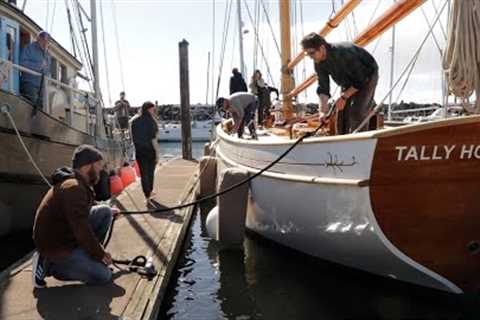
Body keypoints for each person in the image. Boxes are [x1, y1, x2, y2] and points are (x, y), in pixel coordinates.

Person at [32, 145, 119, 288]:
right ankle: (48, 265)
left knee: (105, 212)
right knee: (104, 276)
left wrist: (110, 210)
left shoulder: (76, 183)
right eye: (98, 166)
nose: (100, 171)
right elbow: (81, 228)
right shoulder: (73, 188)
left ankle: (87, 257)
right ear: (86, 167)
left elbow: (82, 209)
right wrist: (100, 254)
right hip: (56, 246)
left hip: (66, 234)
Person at [301, 32, 379, 134]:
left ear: (322, 48)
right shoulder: (318, 62)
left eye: (312, 53)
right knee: (341, 114)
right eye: (307, 54)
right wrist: (322, 112)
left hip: (367, 76)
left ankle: (359, 142)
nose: (310, 57)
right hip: (347, 81)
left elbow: (361, 80)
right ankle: (342, 140)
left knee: (357, 111)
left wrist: (344, 97)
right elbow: (323, 88)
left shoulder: (344, 53)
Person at [131, 101, 159, 203]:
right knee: (150, 173)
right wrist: (157, 153)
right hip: (150, 150)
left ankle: (147, 195)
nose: (154, 111)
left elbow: (133, 138)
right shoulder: (151, 121)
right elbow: (154, 139)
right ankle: (150, 192)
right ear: (148, 109)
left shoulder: (134, 121)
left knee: (143, 174)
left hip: (139, 151)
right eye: (153, 109)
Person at [20, 31, 51, 106]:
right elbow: (22, 63)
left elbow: (48, 70)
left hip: (42, 86)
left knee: (41, 107)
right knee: (33, 104)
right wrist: (38, 66)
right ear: (38, 39)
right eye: (43, 40)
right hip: (29, 83)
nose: (45, 43)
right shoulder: (29, 48)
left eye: (47, 42)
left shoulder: (47, 54)